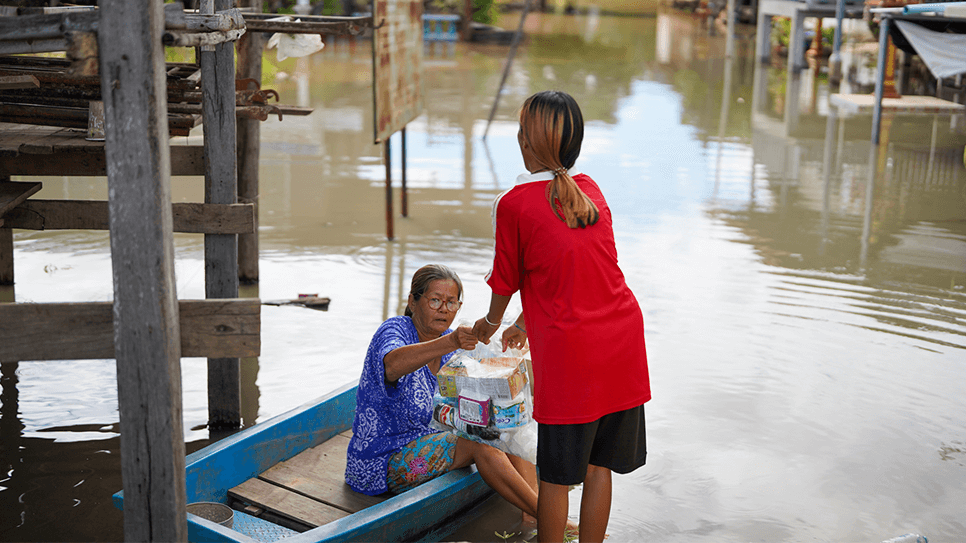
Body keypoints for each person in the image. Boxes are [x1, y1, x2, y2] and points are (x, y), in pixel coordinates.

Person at [472, 90, 651, 543]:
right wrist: (522, 325)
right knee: (597, 467)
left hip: (573, 355)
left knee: (554, 476)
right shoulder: (590, 191)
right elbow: (573, 272)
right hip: (621, 342)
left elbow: (505, 282)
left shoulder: (513, 203)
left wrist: (489, 326)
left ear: (527, 141)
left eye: (520, 129)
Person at [343, 264, 545, 529]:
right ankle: (549, 517)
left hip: (431, 441)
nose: (444, 309)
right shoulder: (395, 330)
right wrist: (450, 342)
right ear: (413, 302)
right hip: (383, 459)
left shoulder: (453, 346)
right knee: (480, 443)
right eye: (435, 300)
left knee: (505, 424)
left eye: (451, 303)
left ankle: (532, 512)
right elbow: (392, 365)